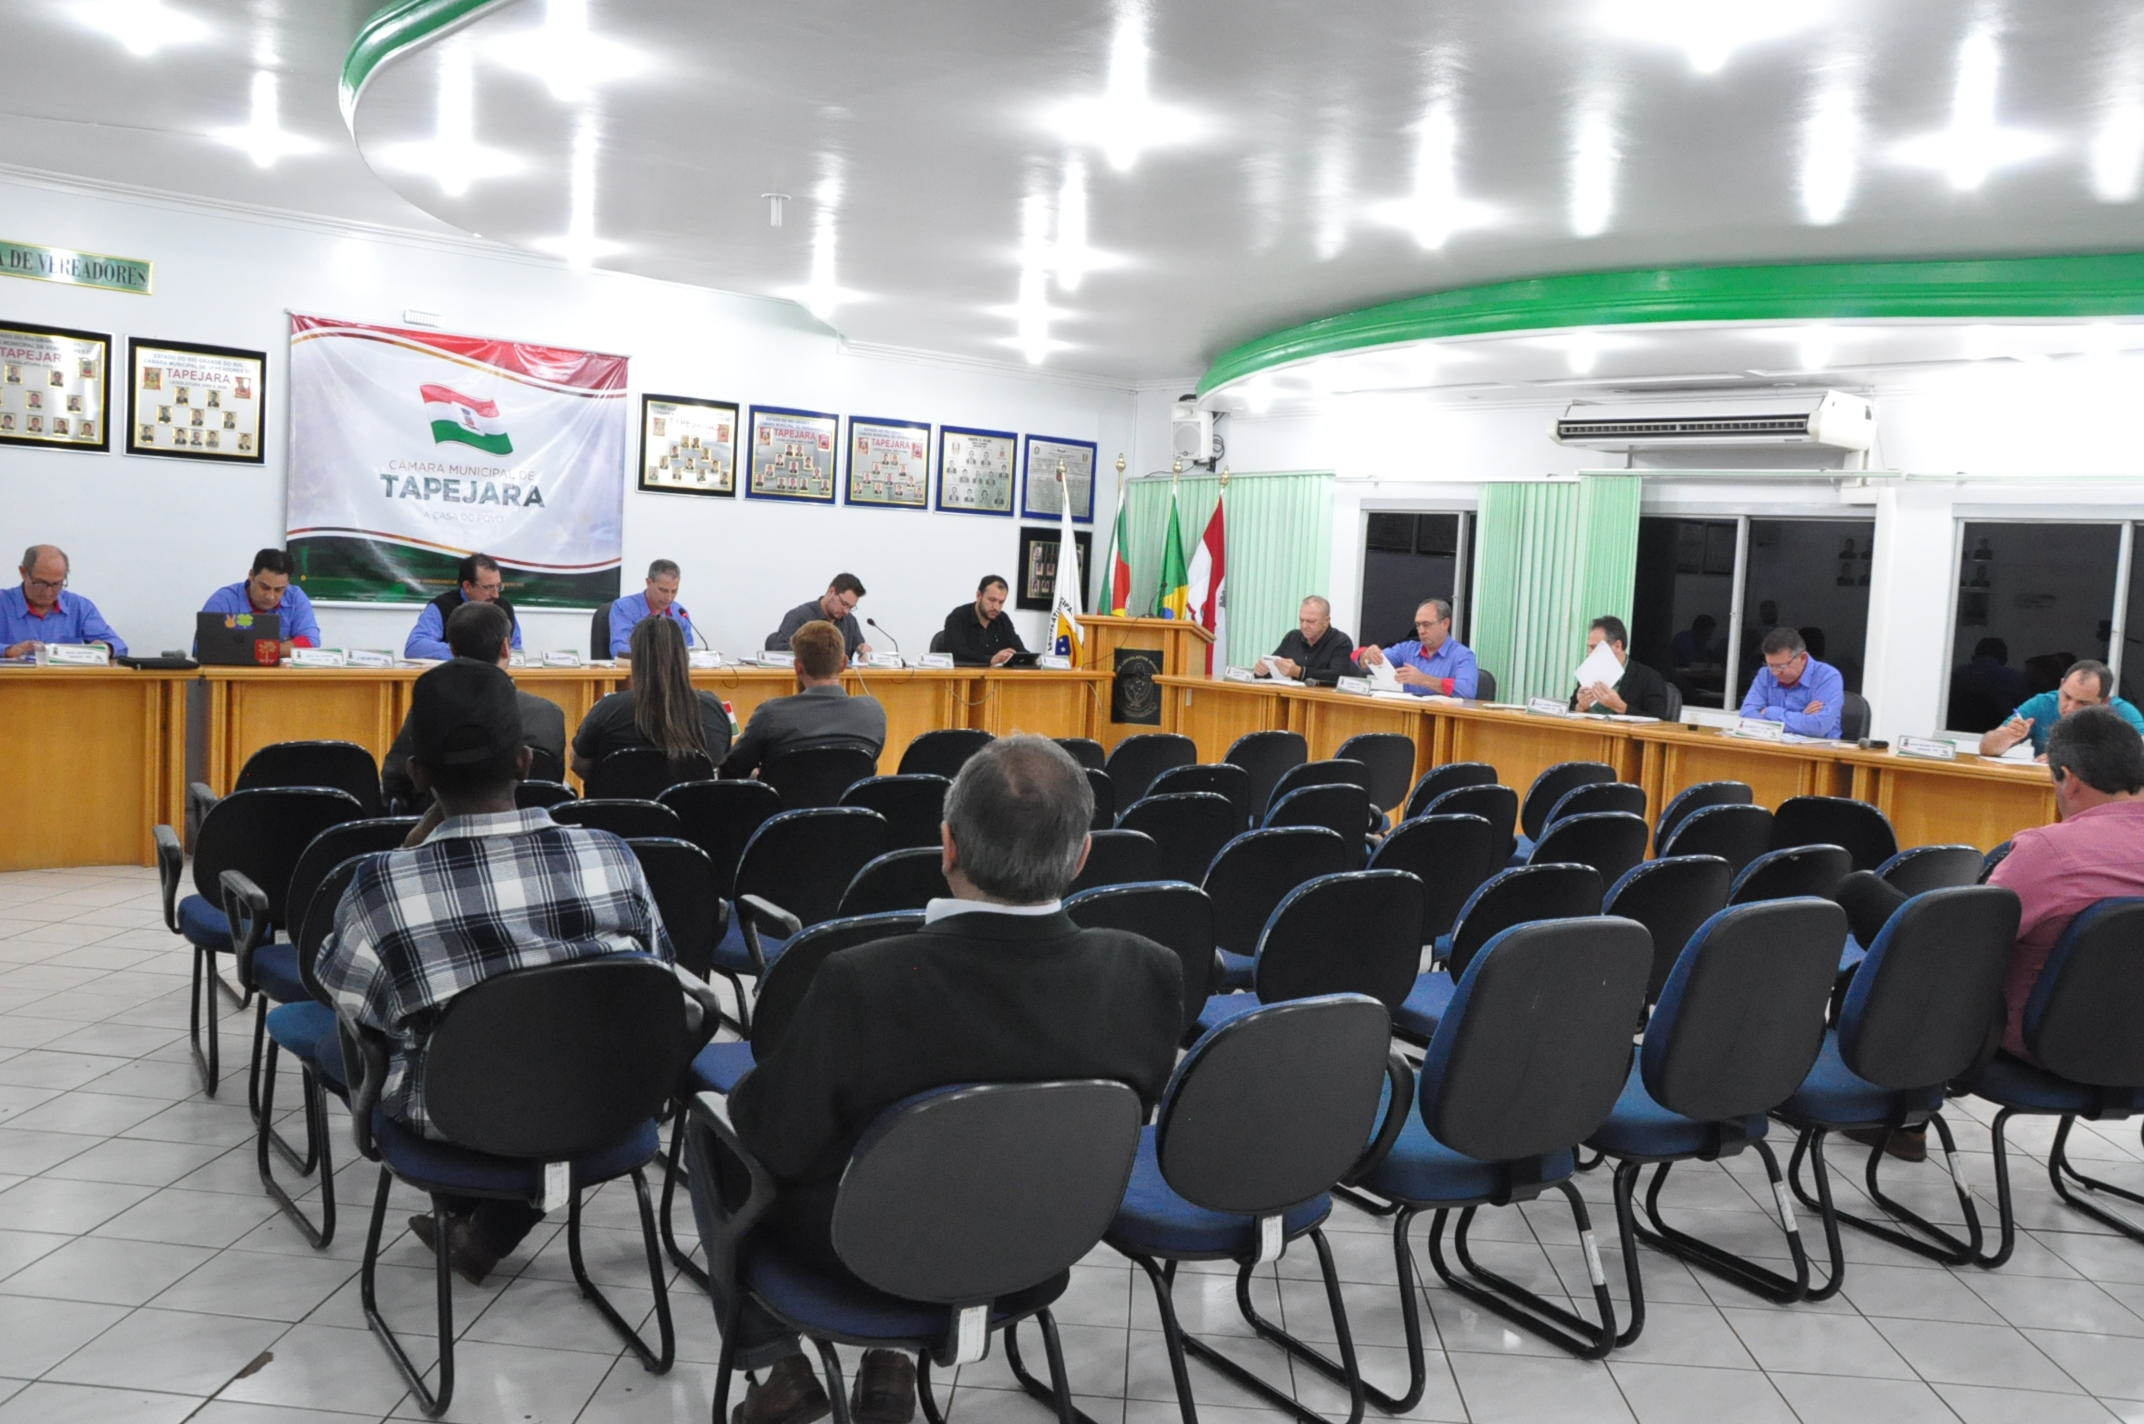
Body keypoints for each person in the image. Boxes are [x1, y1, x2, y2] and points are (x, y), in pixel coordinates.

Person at [725, 736, 1181, 1424]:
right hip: (1043, 1241)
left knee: (721, 1147)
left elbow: (776, 1142)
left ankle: (777, 1364)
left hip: (863, 1251)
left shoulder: (863, 979)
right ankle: (889, 1366)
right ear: (1083, 855)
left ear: (948, 846)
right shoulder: (1148, 970)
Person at [315, 658, 675, 1284]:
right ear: (525, 763)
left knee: (344, 1043)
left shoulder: (381, 886)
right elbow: (660, 971)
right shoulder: (611, 856)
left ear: (418, 773)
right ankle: (490, 1226)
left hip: (456, 1119)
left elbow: (347, 1001)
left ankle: (477, 1212)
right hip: (607, 1097)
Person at [1836, 706, 2144, 1069]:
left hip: (2035, 1041)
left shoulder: (2051, 851)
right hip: (2133, 1047)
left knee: (1861, 892)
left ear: (2070, 780)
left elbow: (1968, 944)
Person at [380, 601, 567, 806]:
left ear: (452, 650)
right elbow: (553, 784)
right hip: (529, 817)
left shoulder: (430, 709)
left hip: (439, 818)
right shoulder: (548, 714)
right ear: (506, 648)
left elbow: (395, 779)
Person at [571, 616, 734, 779]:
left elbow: (579, 765)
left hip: (624, 796)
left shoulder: (608, 709)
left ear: (635, 660)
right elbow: (722, 761)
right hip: (691, 797)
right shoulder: (712, 707)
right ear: (684, 656)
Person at [721, 620, 886, 780]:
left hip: (783, 799)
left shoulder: (771, 714)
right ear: (843, 663)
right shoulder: (872, 712)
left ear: (798, 667)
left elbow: (732, 770)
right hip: (849, 799)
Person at [1978, 658, 2144, 759]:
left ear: (2104, 702)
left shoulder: (2122, 712)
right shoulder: (2041, 704)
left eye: (2083, 703)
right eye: (2067, 696)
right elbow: (1986, 748)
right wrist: (2006, 736)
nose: (2070, 708)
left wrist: (2071, 760)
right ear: (2061, 684)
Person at [1, 545, 126, 658]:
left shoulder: (79, 606)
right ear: (23, 572)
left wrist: (106, 648)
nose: (48, 592)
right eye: (40, 583)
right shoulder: (3, 603)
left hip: (67, 677)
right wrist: (7, 651)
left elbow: (118, 645)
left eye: (56, 584)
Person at [198, 548, 321, 657]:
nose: (270, 596)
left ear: (288, 583)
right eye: (265, 587)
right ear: (251, 575)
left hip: (279, 675)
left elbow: (311, 642)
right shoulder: (223, 600)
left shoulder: (295, 597)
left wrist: (263, 649)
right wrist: (283, 647)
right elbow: (203, 646)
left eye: (279, 590)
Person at [404, 553, 522, 662]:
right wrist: (468, 653)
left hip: (496, 675)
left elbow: (517, 651)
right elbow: (415, 646)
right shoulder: (441, 607)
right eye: (488, 587)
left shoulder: (504, 607)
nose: (496, 595)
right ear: (467, 586)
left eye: (498, 586)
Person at [1357, 597, 1477, 697]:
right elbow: (1361, 659)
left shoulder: (1462, 655)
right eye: (1418, 625)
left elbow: (1467, 691)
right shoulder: (1406, 649)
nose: (1421, 631)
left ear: (1445, 623)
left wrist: (1424, 680)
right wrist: (1367, 655)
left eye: (1426, 624)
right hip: (1407, 714)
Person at [1738, 627, 1843, 738]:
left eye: (1781, 666)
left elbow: (1818, 727)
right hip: (1773, 745)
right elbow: (1746, 715)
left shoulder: (1827, 676)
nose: (1775, 672)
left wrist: (1770, 712)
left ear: (1803, 658)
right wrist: (1802, 717)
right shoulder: (1765, 674)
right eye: (1770, 665)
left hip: (1818, 747)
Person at [1569, 614, 1669, 718]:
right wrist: (1580, 707)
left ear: (1617, 646)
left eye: (1594, 647)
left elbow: (1658, 719)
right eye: (1589, 647)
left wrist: (1621, 707)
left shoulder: (1649, 678)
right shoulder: (1588, 673)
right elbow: (1568, 711)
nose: (1589, 653)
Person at [766, 572, 869, 661]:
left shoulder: (850, 621)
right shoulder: (799, 616)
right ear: (831, 592)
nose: (846, 611)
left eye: (851, 607)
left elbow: (857, 654)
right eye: (844, 604)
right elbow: (779, 656)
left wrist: (862, 652)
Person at [1256, 595, 1356, 685]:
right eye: (1301, 620)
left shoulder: (1341, 642)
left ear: (1326, 621)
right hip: (1288, 696)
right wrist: (1262, 671)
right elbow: (1274, 666)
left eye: (1311, 621)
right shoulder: (1292, 637)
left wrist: (1300, 672)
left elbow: (1339, 677)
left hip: (1321, 698)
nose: (1304, 626)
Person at [608, 558, 697, 657]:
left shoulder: (680, 613)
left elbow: (689, 650)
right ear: (649, 582)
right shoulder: (624, 607)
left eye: (674, 591)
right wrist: (656, 657)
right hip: (637, 666)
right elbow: (619, 649)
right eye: (663, 590)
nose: (669, 598)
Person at [940, 573, 1027, 666]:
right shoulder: (957, 617)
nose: (996, 607)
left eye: (1001, 602)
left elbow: (1019, 650)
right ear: (979, 595)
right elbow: (957, 654)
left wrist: (1033, 660)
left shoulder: (1003, 619)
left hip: (997, 675)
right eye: (992, 600)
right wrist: (990, 660)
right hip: (966, 674)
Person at [1948, 637, 2031, 733]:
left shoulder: (1956, 674)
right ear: (2004, 659)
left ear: (1974, 656)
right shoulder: (2014, 678)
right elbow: (2027, 713)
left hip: (1956, 731)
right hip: (2000, 735)